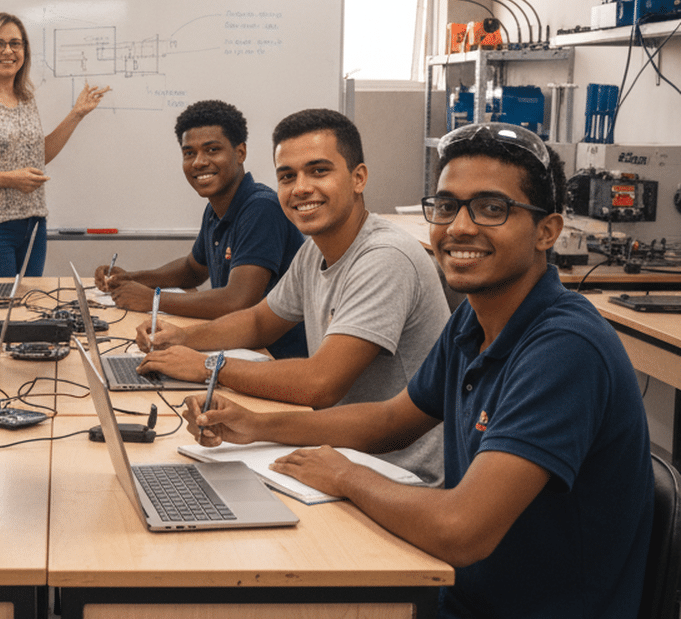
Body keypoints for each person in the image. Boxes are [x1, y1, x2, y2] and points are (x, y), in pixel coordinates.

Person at [183, 122, 652, 618]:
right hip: (457, 589)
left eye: (492, 208)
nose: (460, 227)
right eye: (447, 206)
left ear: (546, 231)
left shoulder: (564, 349)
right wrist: (255, 425)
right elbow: (389, 421)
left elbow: (462, 530)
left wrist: (347, 476)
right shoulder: (475, 318)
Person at [139, 108, 447, 483]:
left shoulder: (385, 257)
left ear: (358, 178)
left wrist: (209, 367)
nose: (300, 187)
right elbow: (258, 322)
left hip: (395, 472)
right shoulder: (316, 249)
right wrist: (183, 338)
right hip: (338, 451)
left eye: (319, 171)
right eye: (288, 176)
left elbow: (321, 382)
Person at [93, 99, 308, 358]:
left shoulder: (261, 208)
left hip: (273, 357)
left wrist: (153, 300)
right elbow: (192, 270)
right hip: (238, 347)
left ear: (240, 153)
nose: (198, 162)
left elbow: (238, 300)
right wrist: (131, 279)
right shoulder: (216, 208)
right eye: (189, 153)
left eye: (212, 150)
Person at [0, 11, 110, 277]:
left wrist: (77, 113)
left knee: (27, 313)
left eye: (15, 43)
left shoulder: (25, 100)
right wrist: (9, 179)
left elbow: (37, 157)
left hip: (33, 227)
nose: (8, 51)